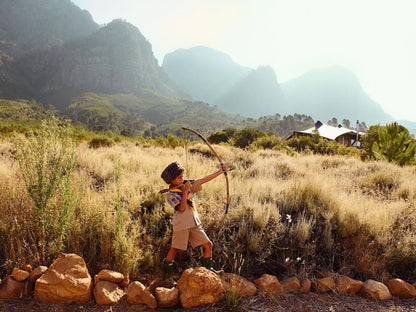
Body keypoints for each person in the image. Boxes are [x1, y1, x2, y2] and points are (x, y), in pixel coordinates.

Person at [160, 160, 226, 279]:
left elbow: (203, 180)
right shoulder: (170, 194)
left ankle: (208, 272)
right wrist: (185, 191)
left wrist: (220, 172)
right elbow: (181, 208)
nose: (182, 179)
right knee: (174, 248)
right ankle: (166, 276)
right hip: (181, 225)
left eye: (182, 176)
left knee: (208, 245)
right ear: (171, 181)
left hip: (194, 223)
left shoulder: (187, 185)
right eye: (179, 177)